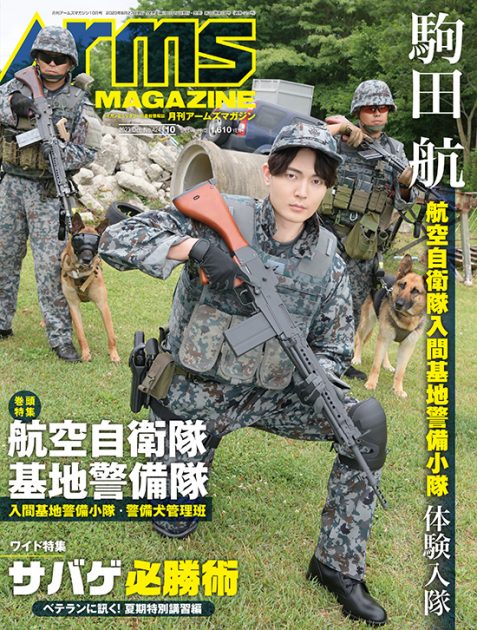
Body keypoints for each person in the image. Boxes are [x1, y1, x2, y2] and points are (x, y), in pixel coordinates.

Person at [100, 123, 388, 626]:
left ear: (327, 189)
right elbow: (115, 238)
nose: (302, 192)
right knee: (172, 517)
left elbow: (336, 345)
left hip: (273, 393)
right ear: (268, 173)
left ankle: (337, 565)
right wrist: (194, 249)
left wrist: (319, 378)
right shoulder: (221, 216)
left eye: (316, 181)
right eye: (292, 175)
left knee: (362, 424)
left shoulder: (328, 260)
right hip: (193, 395)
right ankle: (189, 456)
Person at [0, 26, 101, 361]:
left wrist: (58, 151)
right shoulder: (15, 87)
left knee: (50, 268)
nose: (53, 64)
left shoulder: (79, 102)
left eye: (60, 59)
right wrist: (16, 105)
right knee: (4, 258)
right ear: (37, 59)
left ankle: (60, 336)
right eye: (46, 57)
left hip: (48, 192)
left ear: (71, 63)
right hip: (10, 186)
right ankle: (1, 321)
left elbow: (89, 151)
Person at [324, 80, 416, 380]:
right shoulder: (340, 139)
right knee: (317, 293)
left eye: (383, 108)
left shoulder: (395, 151)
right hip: (329, 231)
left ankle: (339, 360)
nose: (377, 113)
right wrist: (341, 129)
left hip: (365, 242)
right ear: (358, 111)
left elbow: (404, 203)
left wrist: (405, 185)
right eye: (370, 108)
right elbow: (304, 139)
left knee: (353, 303)